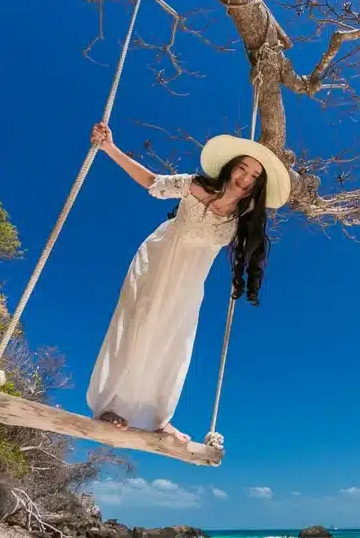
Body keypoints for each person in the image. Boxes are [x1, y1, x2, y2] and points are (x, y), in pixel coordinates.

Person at [85, 121, 291, 444]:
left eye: (255, 176)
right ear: (230, 168)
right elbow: (152, 182)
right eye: (243, 168)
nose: (246, 178)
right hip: (158, 262)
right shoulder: (196, 187)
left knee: (174, 340)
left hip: (190, 282)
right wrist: (110, 148)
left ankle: (158, 418)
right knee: (139, 327)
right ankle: (113, 406)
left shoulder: (241, 220)